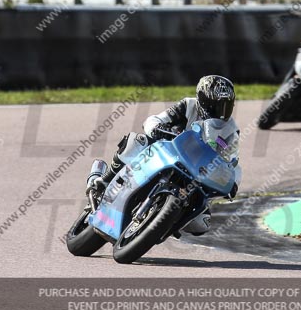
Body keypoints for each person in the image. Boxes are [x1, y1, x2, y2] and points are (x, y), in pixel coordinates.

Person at [86, 75, 240, 236]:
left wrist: (233, 183)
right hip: (168, 153)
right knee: (138, 141)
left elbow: (233, 162)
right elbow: (155, 119)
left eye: (226, 106)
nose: (221, 112)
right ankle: (105, 179)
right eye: (215, 106)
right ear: (202, 100)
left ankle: (168, 223)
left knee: (202, 223)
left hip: (197, 173)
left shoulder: (231, 130)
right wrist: (157, 128)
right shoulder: (188, 105)